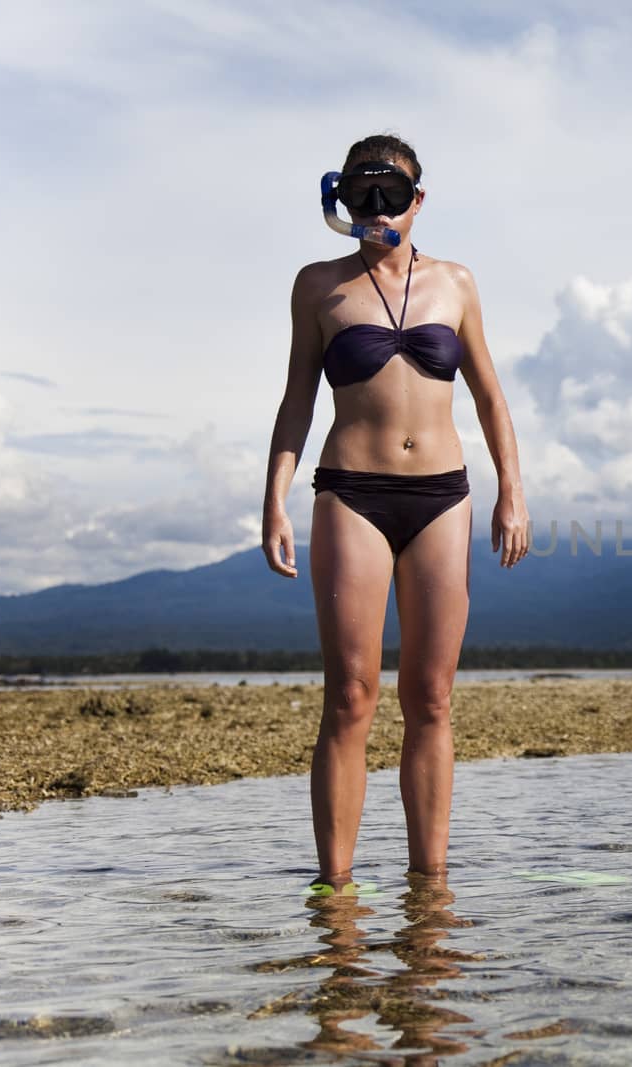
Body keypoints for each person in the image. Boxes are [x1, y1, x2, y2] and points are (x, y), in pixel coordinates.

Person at [260, 133, 529, 889]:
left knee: (431, 697)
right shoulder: (319, 286)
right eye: (361, 198)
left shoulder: (457, 283)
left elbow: (489, 395)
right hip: (352, 492)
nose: (377, 212)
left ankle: (428, 891)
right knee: (351, 692)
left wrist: (512, 489)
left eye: (391, 196)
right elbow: (296, 401)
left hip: (442, 496)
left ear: (419, 200)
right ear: (339, 201)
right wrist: (275, 500)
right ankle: (335, 896)